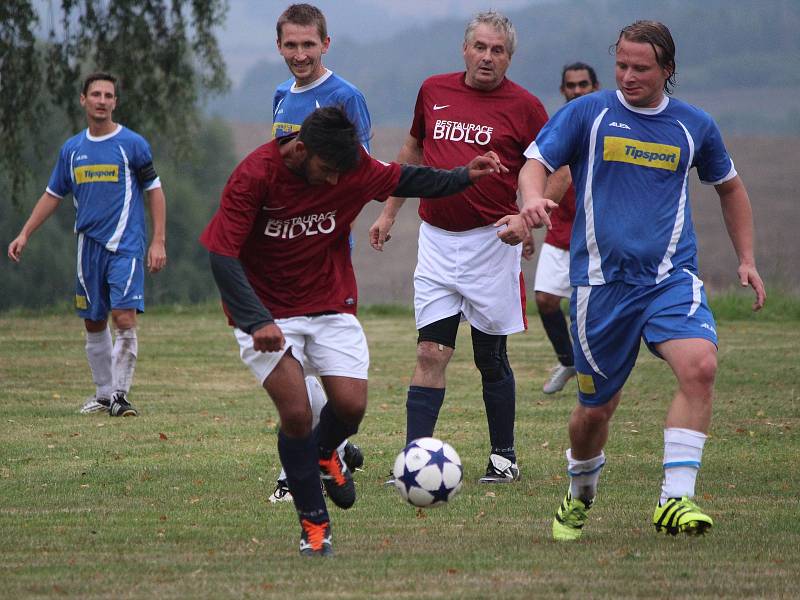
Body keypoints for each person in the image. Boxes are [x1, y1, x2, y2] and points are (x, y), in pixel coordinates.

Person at [199, 106, 505, 557]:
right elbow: (222, 254)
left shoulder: (351, 167)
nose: (333, 183)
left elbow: (408, 178)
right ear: (301, 149)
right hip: (267, 312)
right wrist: (256, 319)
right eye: (326, 171)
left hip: (328, 300)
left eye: (342, 173)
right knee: (298, 413)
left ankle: (326, 454)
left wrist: (464, 175)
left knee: (350, 406)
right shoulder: (255, 175)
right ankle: (314, 524)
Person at [505, 20, 766, 540]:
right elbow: (535, 162)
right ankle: (580, 494)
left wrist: (747, 258)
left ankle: (676, 500)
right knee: (594, 411)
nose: (627, 76)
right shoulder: (589, 112)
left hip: (669, 279)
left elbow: (730, 188)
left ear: (668, 71)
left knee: (700, 365)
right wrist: (532, 198)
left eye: (641, 68)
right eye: (621, 64)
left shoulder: (694, 126)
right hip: (600, 288)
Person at [369, 11, 549, 484]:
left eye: (498, 50)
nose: (488, 57)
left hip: (492, 244)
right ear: (465, 49)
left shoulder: (526, 107)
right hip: (436, 243)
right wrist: (390, 212)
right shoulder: (434, 91)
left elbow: (555, 167)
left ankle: (503, 458)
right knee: (430, 351)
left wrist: (526, 215)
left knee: (489, 356)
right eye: (481, 48)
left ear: (510, 57)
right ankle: (413, 462)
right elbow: (412, 152)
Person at [7, 72, 167, 417]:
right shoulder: (73, 149)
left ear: (115, 102)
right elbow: (53, 194)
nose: (102, 101)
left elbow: (154, 189)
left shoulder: (133, 144)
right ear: (83, 100)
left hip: (125, 246)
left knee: (123, 316)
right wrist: (25, 233)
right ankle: (104, 394)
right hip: (87, 248)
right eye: (96, 94)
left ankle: (121, 396)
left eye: (109, 95)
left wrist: (158, 240)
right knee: (94, 321)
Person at [268, 2, 370, 504]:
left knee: (318, 364)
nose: (301, 53)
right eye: (292, 44)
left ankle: (311, 458)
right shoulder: (281, 98)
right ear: (279, 46)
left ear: (325, 44)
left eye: (310, 44)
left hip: (325, 255)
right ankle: (327, 452)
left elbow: (363, 171)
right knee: (293, 366)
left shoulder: (346, 97)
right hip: (282, 256)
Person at [534, 62, 599, 394]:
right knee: (545, 300)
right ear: (562, 90)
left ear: (595, 86)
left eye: (583, 84)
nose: (577, 90)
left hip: (595, 236)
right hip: (559, 232)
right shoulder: (556, 128)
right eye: (571, 85)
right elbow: (541, 172)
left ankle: (594, 377)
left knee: (586, 312)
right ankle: (568, 360)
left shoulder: (606, 125)